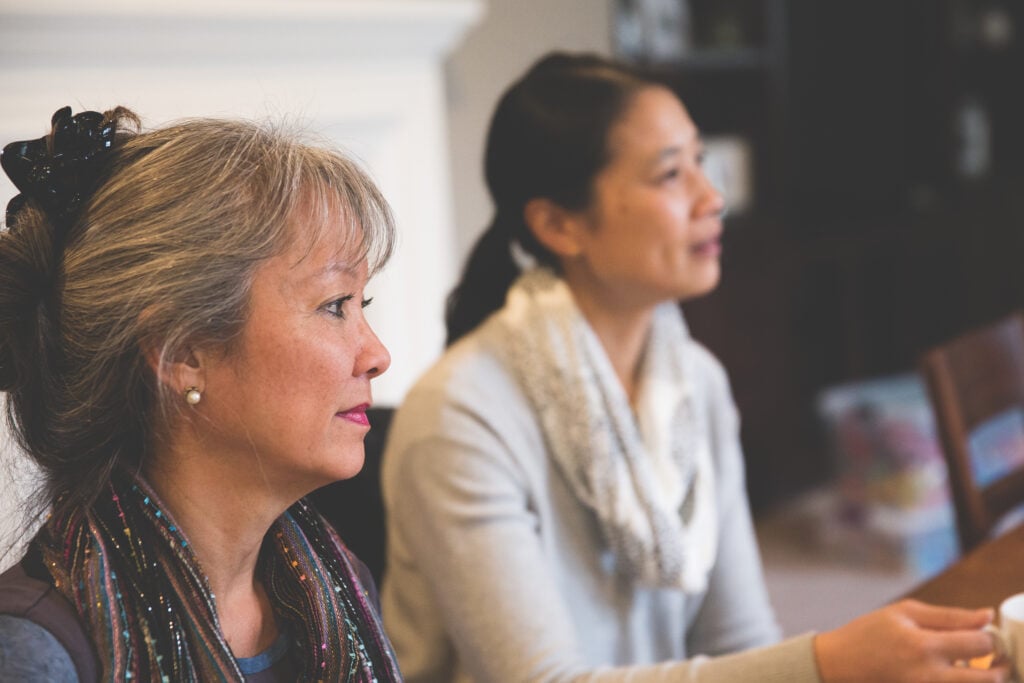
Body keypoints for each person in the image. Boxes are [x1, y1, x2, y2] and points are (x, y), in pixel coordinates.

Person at [379, 52, 1006, 682]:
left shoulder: (692, 384)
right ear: (558, 224)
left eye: (700, 163)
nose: (713, 198)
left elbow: (740, 640)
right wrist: (826, 663)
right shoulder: (461, 416)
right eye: (670, 174)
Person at [0, 105, 403, 682]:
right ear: (183, 354)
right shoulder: (34, 651)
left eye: (360, 305)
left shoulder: (341, 591)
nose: (377, 355)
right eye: (334, 304)